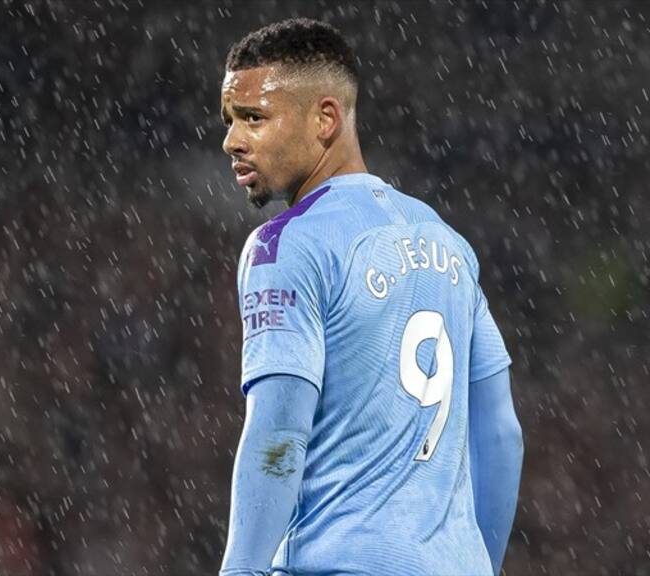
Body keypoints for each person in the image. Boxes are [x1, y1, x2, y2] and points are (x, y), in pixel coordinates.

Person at [218, 18, 523, 576]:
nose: (232, 140)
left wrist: (241, 570)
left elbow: (279, 432)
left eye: (254, 118)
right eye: (230, 121)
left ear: (325, 119)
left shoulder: (286, 245)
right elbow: (500, 432)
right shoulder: (449, 244)